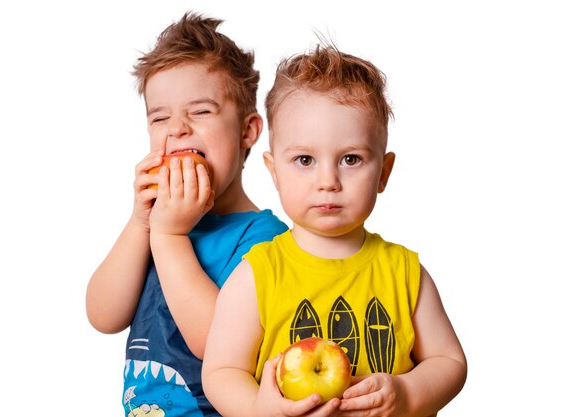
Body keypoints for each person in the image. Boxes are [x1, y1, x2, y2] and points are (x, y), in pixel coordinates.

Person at [202, 43, 467, 417]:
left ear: (384, 173)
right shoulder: (257, 274)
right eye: (305, 160)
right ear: (274, 170)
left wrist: (406, 393)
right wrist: (261, 409)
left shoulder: (405, 273)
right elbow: (221, 372)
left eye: (350, 159)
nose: (328, 181)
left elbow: (450, 362)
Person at [85, 12, 288, 417]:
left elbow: (220, 343)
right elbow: (103, 316)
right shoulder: (152, 225)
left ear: (248, 131)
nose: (176, 128)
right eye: (160, 117)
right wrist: (140, 224)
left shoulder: (266, 240)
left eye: (200, 112)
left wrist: (168, 237)